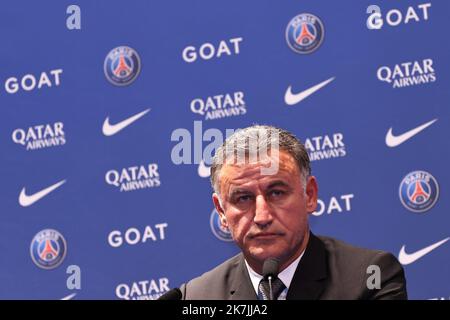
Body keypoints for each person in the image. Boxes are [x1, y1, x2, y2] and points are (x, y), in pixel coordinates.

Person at [180, 125, 407, 300]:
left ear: (309, 195)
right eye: (244, 198)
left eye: (276, 193)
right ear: (221, 211)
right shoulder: (196, 297)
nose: (262, 216)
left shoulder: (370, 275)